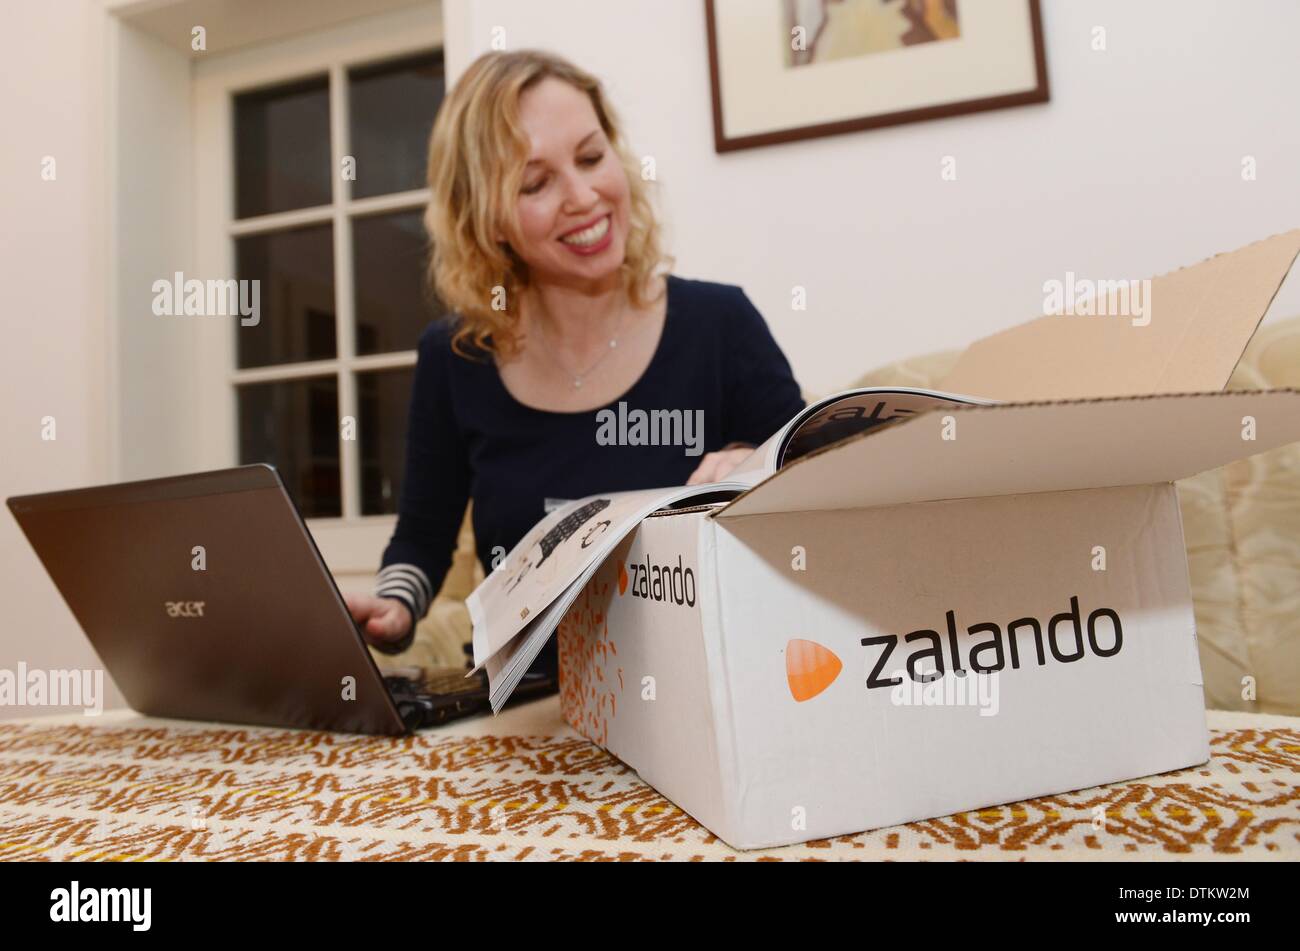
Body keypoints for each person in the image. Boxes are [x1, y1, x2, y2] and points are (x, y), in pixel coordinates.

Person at [343, 50, 806, 676]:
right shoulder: (454, 358)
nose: (584, 196)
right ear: (488, 222)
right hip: (525, 707)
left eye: (591, 157)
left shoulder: (720, 325)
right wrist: (395, 608)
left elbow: (813, 515)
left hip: (698, 693)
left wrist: (758, 473)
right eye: (535, 184)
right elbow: (423, 537)